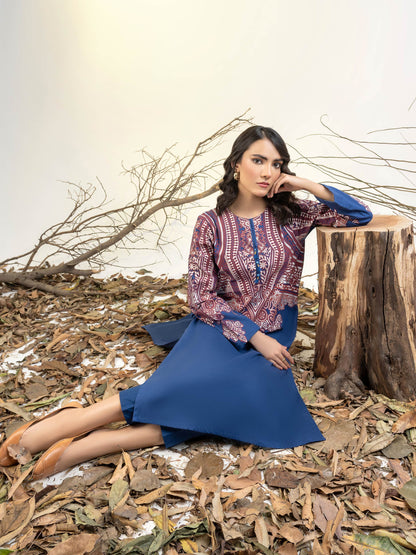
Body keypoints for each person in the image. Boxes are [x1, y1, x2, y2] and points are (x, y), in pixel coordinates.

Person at [0, 125, 372, 479]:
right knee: (187, 389)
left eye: (277, 164)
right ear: (235, 164)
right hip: (220, 325)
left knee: (236, 399)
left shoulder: (294, 215)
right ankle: (77, 422)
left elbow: (360, 214)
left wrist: (305, 184)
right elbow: (200, 296)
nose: (267, 172)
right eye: (258, 160)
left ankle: (96, 443)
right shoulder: (211, 223)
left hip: (276, 330)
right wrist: (254, 336)